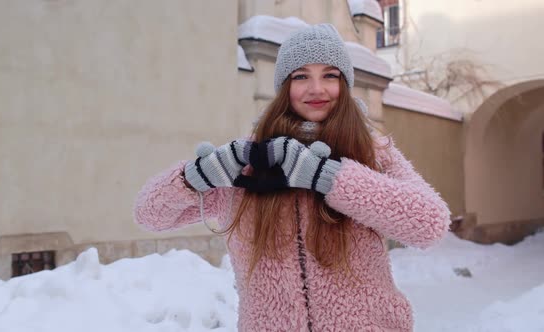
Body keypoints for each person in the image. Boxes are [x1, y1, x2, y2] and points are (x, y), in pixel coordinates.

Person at [134, 23, 451, 332]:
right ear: (285, 87)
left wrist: (328, 178)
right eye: (301, 76)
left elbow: (431, 224)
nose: (316, 89)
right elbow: (150, 215)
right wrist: (195, 177)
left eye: (330, 75)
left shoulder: (372, 153)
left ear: (345, 83)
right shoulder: (248, 163)